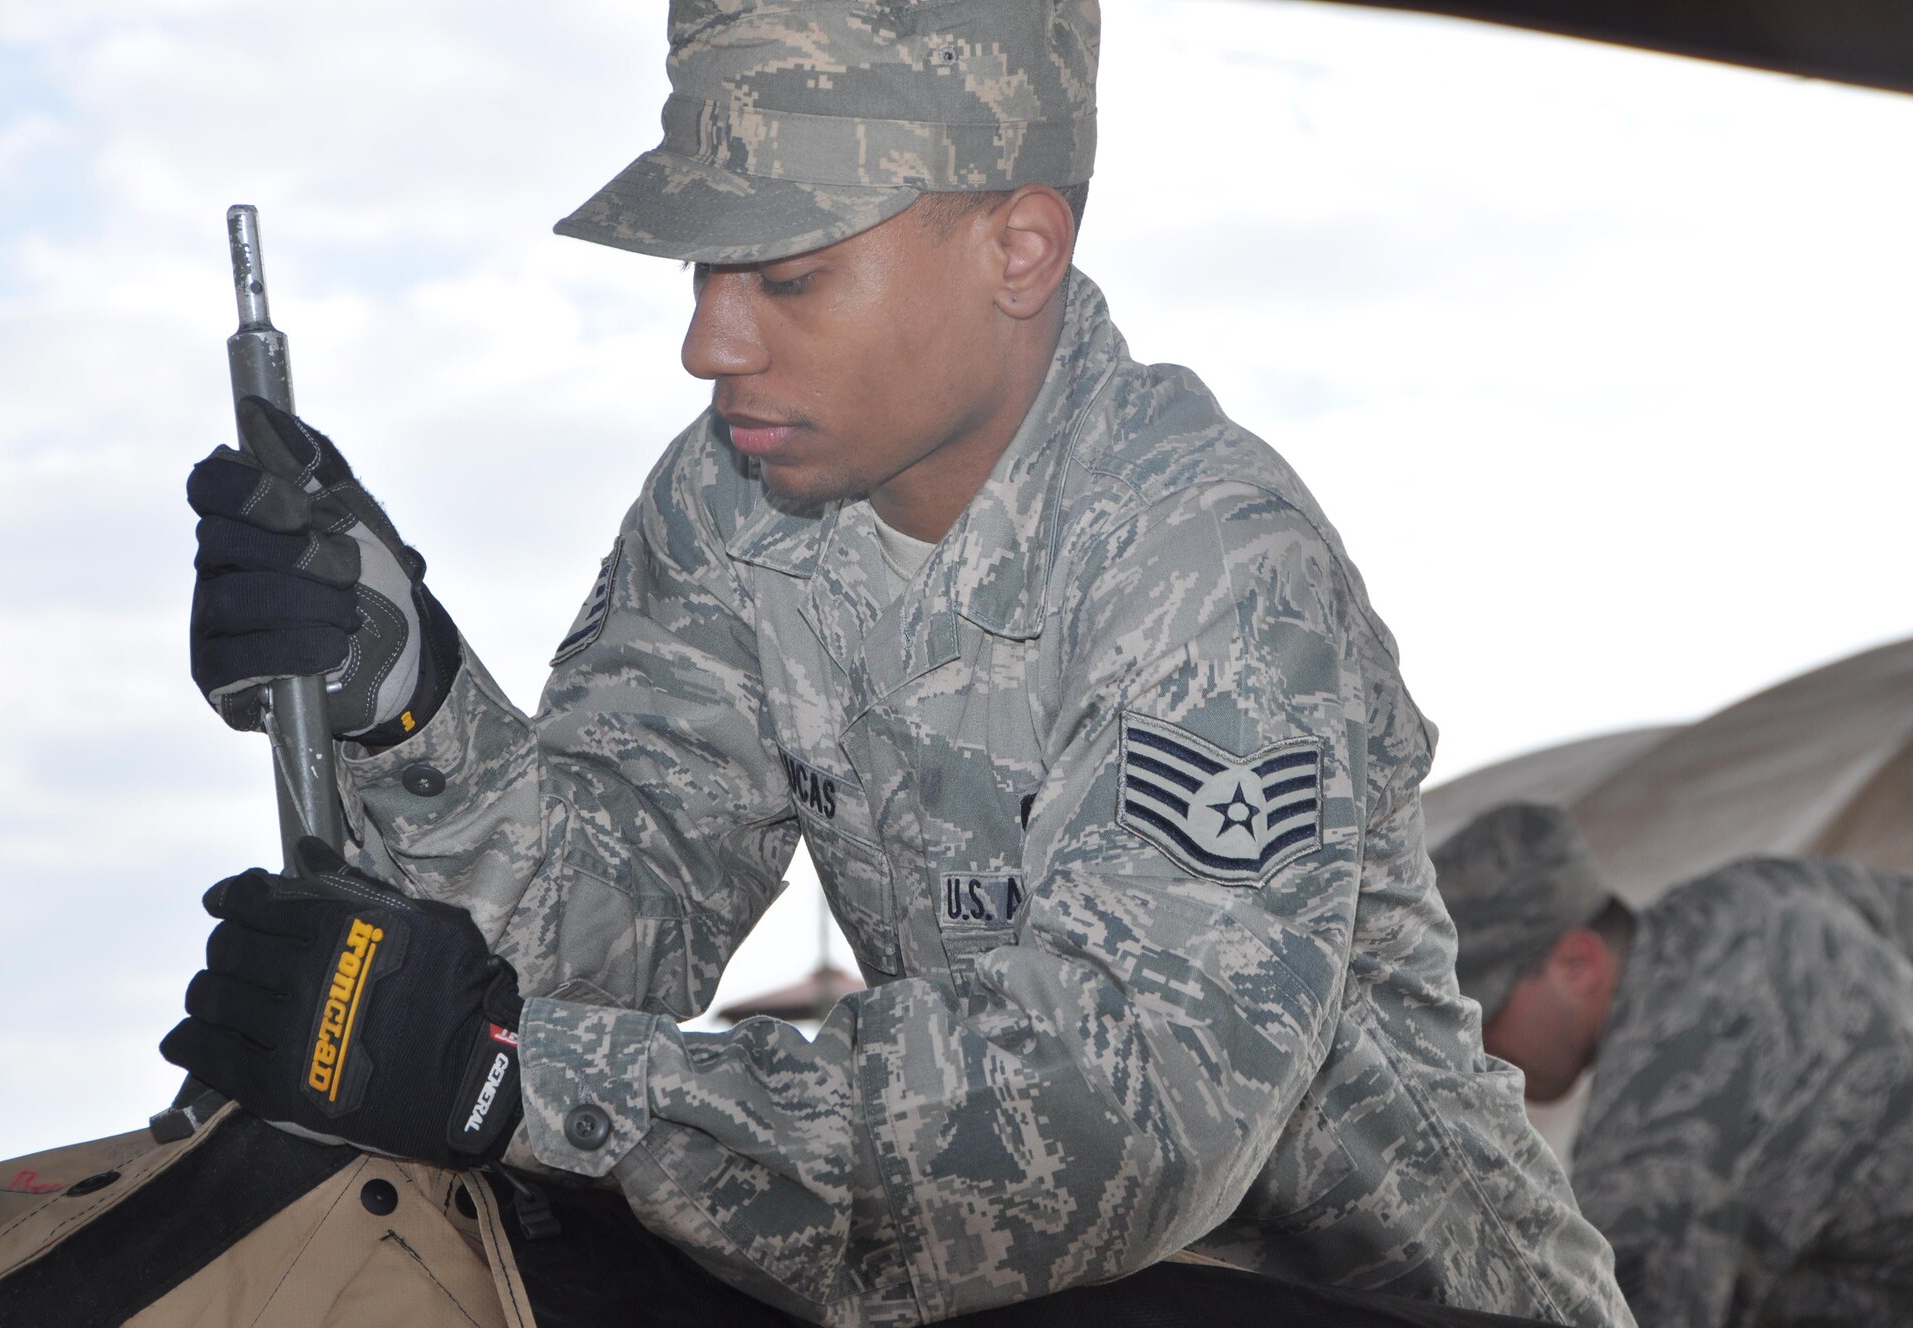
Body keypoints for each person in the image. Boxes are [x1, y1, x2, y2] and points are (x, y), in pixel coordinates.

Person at [153, 4, 1629, 1325]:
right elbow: (612, 925)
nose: (707, 341)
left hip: (1378, 1290)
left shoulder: (1210, 563)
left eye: (789, 274)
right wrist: (408, 700)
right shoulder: (734, 504)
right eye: (703, 269)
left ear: (1019, 249)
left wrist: (525, 1080)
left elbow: (1130, 1120)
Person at [1432, 802, 1913, 1326]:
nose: (1474, 1049)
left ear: (1578, 962)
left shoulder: (1653, 1135)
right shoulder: (1762, 889)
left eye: (1483, 1011)